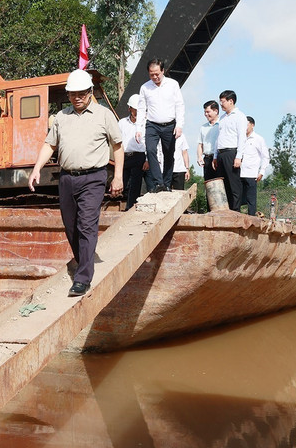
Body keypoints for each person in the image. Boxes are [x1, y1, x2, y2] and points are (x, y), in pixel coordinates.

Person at [29, 69, 124, 296]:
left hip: (94, 177)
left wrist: (118, 176)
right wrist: (36, 169)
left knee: (86, 226)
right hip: (67, 178)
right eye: (72, 94)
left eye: (81, 93)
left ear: (90, 92)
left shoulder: (104, 115)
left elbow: (118, 146)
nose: (77, 97)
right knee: (71, 227)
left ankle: (82, 279)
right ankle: (84, 261)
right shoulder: (61, 117)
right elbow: (49, 145)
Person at [136, 59, 185, 192]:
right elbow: (141, 109)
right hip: (152, 124)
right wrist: (138, 129)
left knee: (168, 154)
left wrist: (179, 125)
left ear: (163, 71)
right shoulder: (145, 87)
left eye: (157, 74)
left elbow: (179, 105)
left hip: (170, 125)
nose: (155, 77)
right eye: (152, 75)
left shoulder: (173, 85)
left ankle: (167, 183)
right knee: (150, 150)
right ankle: (158, 183)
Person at [215, 90, 247, 211]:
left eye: (222, 101)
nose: (221, 104)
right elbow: (218, 138)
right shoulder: (222, 118)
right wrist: (215, 155)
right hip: (221, 153)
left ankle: (236, 210)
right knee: (224, 185)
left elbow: (242, 138)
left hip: (232, 153)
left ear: (231, 101)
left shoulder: (240, 116)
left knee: (234, 184)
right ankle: (226, 210)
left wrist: (239, 156)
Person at [118, 95, 147, 211]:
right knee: (122, 182)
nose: (137, 112)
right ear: (129, 108)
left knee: (135, 184)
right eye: (135, 109)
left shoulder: (145, 123)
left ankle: (130, 208)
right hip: (124, 156)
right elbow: (117, 141)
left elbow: (150, 143)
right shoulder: (122, 123)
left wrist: (147, 159)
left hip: (139, 156)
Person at [239, 116, 270, 215]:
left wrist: (262, 171)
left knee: (251, 200)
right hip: (238, 173)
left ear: (252, 125)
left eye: (246, 124)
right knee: (237, 199)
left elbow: (266, 157)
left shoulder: (258, 139)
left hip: (251, 174)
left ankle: (251, 220)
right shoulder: (239, 139)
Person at [197, 100, 220, 184]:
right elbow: (200, 144)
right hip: (207, 159)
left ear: (216, 111)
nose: (206, 114)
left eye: (208, 112)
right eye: (205, 112)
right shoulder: (203, 127)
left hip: (218, 158)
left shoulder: (222, 124)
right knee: (209, 185)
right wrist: (199, 157)